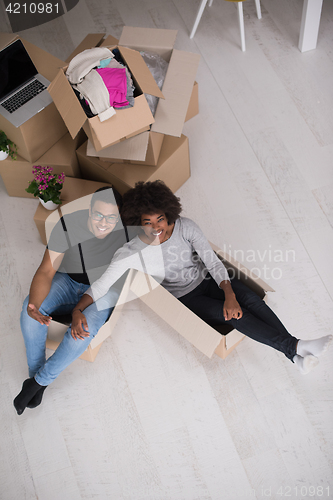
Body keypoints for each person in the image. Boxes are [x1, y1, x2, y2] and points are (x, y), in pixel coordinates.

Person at [70, 180, 332, 377]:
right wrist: (78, 309)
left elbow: (212, 261)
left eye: (160, 219)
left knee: (252, 300)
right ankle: (296, 347)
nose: (157, 227)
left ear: (168, 214)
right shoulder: (130, 252)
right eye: (148, 222)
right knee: (235, 316)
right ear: (138, 222)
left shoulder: (185, 227)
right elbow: (101, 285)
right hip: (187, 298)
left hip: (209, 280)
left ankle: (295, 355)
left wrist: (229, 294)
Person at [13, 187, 128, 415]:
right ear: (89, 211)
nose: (103, 222)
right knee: (29, 314)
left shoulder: (127, 236)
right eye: (98, 215)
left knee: (81, 334)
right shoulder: (67, 225)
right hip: (67, 280)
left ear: (120, 218)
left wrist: (79, 310)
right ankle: (34, 375)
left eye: (111, 217)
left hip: (102, 291)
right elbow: (46, 270)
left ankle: (38, 383)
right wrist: (33, 306)